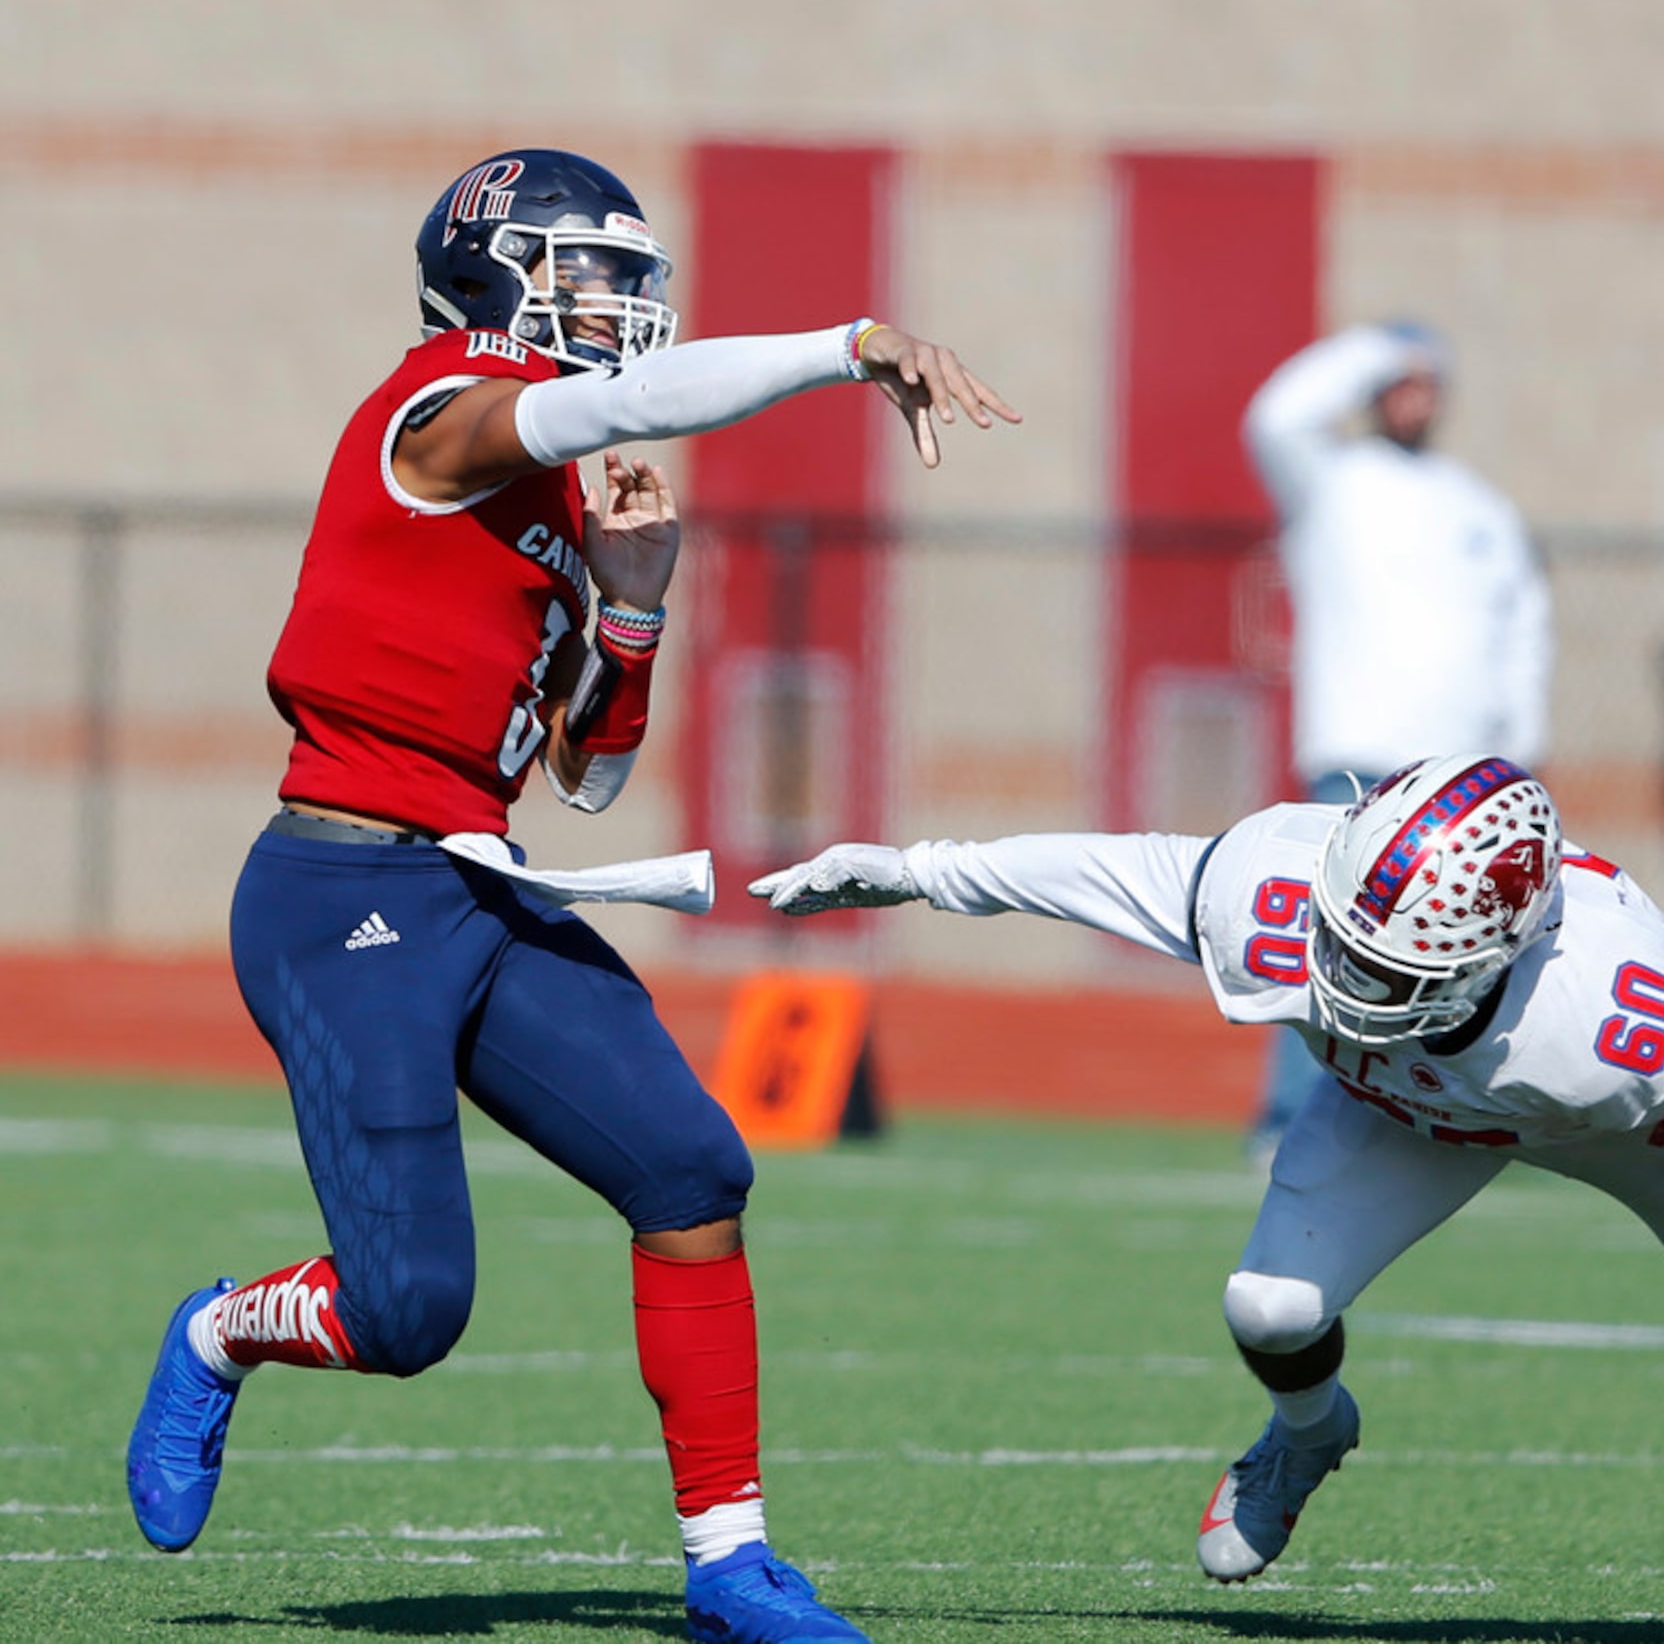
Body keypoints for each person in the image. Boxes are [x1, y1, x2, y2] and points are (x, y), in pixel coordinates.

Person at [123, 149, 1019, 1644]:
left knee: (691, 1171)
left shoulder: (540, 491)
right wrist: (847, 346)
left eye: (626, 277)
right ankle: (222, 1329)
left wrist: (635, 594)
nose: (619, 304)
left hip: (476, 879)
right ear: (493, 268)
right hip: (341, 888)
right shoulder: (441, 411)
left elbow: (588, 775)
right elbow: (619, 402)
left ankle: (729, 1560)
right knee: (408, 1313)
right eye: (590, 269)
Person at [751, 753, 1664, 1633]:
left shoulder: (1623, 1023)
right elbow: (1105, 870)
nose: (1343, 981)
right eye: (1342, 948)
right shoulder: (1287, 884)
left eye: (1387, 963)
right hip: (1406, 1105)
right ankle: (1308, 1434)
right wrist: (917, 867)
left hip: (1620, 1127)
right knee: (1266, 1304)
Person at [1241, 324, 1552, 1153]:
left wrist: (1519, 742)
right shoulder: (1329, 479)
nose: (1411, 395)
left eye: (1424, 380)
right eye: (1395, 380)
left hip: (1460, 782)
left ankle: (1446, 1123)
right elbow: (1275, 415)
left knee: (1463, 962)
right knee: (1324, 953)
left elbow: (1520, 624)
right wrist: (1381, 345)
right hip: (1355, 756)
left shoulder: (1477, 503)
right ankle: (1288, 1121)